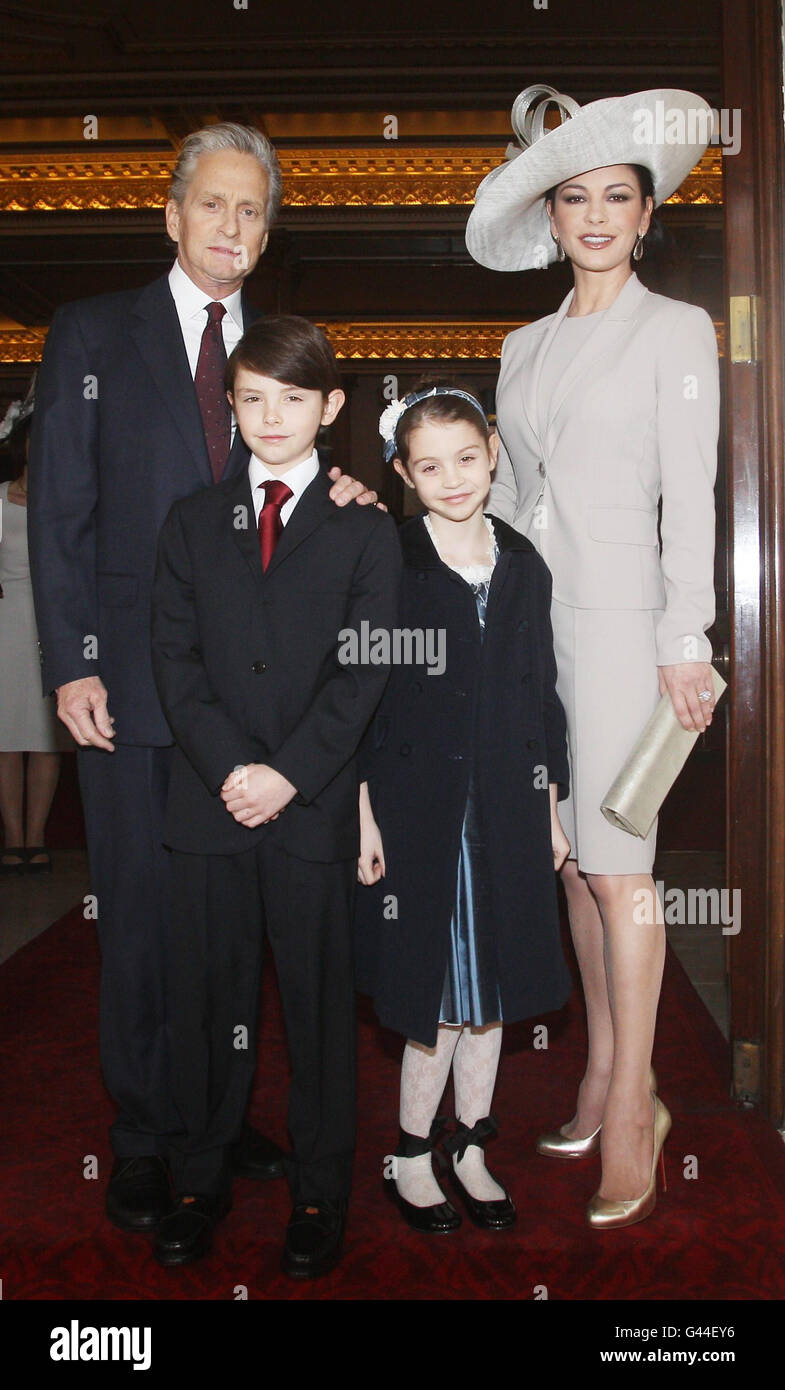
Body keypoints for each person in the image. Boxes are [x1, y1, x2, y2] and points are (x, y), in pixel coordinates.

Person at [27, 123, 377, 1235]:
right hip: (132, 684)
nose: (232, 228)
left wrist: (350, 496)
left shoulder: (272, 351)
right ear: (171, 214)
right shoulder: (90, 335)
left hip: (264, 706)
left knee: (237, 934)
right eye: (213, 206)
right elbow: (60, 513)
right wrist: (71, 661)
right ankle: (145, 1134)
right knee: (138, 918)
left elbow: (296, 470)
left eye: (251, 213)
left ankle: (215, 1121)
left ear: (265, 234)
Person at [465, 85, 720, 1228]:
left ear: (644, 211)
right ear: (552, 219)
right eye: (574, 198)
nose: (596, 215)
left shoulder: (676, 330)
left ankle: (633, 1103)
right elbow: (510, 497)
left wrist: (685, 639)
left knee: (621, 867)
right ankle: (597, 1071)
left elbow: (691, 497)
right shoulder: (516, 345)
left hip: (625, 633)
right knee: (571, 865)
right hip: (535, 638)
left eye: (616, 195)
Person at [150, 315, 402, 1276]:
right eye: (250, 398)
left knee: (318, 1009)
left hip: (310, 810)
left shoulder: (364, 529)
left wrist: (288, 774)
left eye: (292, 398)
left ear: (330, 408)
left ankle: (319, 1193)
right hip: (208, 809)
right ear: (231, 405)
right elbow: (173, 661)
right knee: (207, 1004)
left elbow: (365, 673)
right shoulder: (188, 521)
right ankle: (197, 1179)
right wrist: (230, 771)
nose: (269, 416)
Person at [354, 380, 572, 1234]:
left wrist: (551, 806)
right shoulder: (390, 561)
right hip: (419, 813)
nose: (453, 478)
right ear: (404, 474)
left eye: (467, 459)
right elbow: (362, 694)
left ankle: (471, 1144)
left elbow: (540, 695)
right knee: (434, 992)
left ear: (490, 454)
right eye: (430, 465)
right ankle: (409, 1151)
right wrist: (362, 814)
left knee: (495, 991)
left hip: (508, 812)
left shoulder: (521, 561)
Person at [0, 375, 73, 877]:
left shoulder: (67, 503)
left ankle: (39, 835)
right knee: (7, 740)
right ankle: (13, 838)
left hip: (52, 626)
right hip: (5, 624)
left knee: (45, 739)